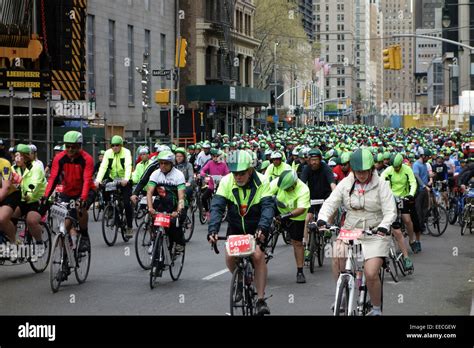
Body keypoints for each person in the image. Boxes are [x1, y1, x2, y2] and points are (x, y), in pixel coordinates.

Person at [317, 148, 397, 316]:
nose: (361, 175)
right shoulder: (346, 183)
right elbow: (331, 202)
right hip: (351, 228)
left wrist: (384, 225)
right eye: (358, 171)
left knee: (370, 272)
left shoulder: (381, 184)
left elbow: (390, 211)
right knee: (337, 254)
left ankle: (376, 308)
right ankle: (342, 294)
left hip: (375, 231)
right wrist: (322, 218)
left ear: (372, 169)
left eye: (365, 171)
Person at [207, 150, 274, 315]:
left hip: (257, 226)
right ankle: (239, 279)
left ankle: (260, 299)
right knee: (230, 256)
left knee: (257, 255)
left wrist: (262, 228)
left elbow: (267, 208)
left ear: (250, 170)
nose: (238, 177)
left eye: (242, 173)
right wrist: (213, 229)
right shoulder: (226, 181)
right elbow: (217, 207)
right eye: (235, 173)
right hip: (236, 227)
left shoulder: (263, 181)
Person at [42, 131, 94, 253]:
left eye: (73, 147)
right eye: (67, 146)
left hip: (86, 191)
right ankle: (64, 261)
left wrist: (82, 199)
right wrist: (45, 196)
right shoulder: (59, 158)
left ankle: (84, 235)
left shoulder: (87, 159)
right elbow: (53, 178)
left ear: (80, 146)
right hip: (68, 192)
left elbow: (87, 180)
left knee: (80, 209)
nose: (70, 149)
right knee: (64, 227)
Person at [269, 170, 310, 283]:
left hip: (296, 216)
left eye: (288, 188)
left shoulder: (303, 189)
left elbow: (301, 209)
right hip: (280, 207)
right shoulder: (279, 182)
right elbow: (266, 193)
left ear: (294, 183)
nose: (286, 190)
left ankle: (300, 271)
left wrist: (286, 216)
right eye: (284, 189)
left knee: (297, 242)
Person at [12, 144, 47, 261]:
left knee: (31, 220)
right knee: (10, 216)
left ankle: (39, 243)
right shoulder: (14, 168)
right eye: (15, 155)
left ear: (26, 157)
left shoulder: (36, 167)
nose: (16, 158)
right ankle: (14, 244)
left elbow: (33, 184)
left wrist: (27, 194)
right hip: (23, 198)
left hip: (38, 198)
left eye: (19, 156)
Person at [146, 151, 186, 252]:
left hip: (175, 204)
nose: (163, 166)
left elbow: (181, 196)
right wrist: (150, 208)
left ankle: (179, 243)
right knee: (152, 221)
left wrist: (178, 211)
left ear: (171, 163)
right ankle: (154, 241)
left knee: (174, 224)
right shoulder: (155, 173)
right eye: (161, 163)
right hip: (162, 203)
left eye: (166, 163)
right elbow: (149, 192)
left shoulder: (179, 175)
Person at [300, 149, 336, 259]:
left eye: (316, 160)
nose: (314, 162)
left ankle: (327, 230)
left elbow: (332, 184)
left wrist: (336, 196)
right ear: (309, 161)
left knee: (332, 208)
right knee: (307, 219)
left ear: (320, 160)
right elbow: (301, 185)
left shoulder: (326, 168)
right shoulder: (306, 169)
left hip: (325, 196)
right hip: (312, 197)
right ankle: (306, 246)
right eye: (312, 160)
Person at [95, 135, 134, 238]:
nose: (115, 147)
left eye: (117, 145)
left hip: (124, 180)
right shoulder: (108, 153)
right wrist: (98, 180)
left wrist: (126, 179)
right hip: (113, 178)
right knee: (103, 186)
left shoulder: (126, 152)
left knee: (126, 203)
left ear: (121, 145)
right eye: (113, 145)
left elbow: (128, 166)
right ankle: (110, 207)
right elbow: (103, 167)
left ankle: (129, 227)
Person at [381, 154, 420, 254]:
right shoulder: (388, 170)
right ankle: (397, 243)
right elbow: (380, 182)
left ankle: (412, 240)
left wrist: (411, 194)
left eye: (398, 167)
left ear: (401, 164)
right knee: (391, 221)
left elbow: (413, 182)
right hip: (391, 198)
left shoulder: (407, 169)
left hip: (404, 197)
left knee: (407, 220)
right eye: (395, 167)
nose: (396, 169)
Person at [0, 144, 21, 261]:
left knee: (2, 218)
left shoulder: (4, 164)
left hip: (10, 194)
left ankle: (13, 243)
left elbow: (6, 187)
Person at [200, 149, 230, 217]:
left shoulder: (224, 164)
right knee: (203, 197)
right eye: (214, 156)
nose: (215, 158)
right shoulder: (210, 162)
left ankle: (224, 211)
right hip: (211, 186)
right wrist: (204, 174)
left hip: (221, 186)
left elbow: (227, 173)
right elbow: (203, 170)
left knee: (225, 199)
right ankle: (207, 211)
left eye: (217, 156)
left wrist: (224, 177)